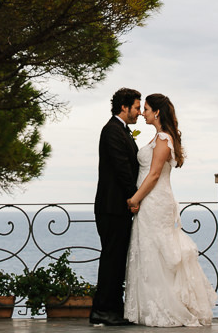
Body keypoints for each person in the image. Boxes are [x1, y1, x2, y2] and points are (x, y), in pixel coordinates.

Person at [124, 93, 217, 327]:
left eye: (145, 109)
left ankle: (166, 307)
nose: (142, 113)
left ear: (156, 112)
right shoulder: (158, 137)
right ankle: (150, 306)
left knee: (158, 252)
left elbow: (154, 174)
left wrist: (135, 198)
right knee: (148, 250)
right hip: (150, 201)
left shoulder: (164, 139)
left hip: (155, 201)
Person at [90, 87, 142, 326]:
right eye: (137, 107)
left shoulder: (121, 131)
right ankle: (102, 311)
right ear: (124, 106)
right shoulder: (112, 131)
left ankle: (112, 308)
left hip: (116, 206)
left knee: (116, 258)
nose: (139, 113)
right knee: (112, 259)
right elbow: (122, 169)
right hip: (112, 206)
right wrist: (134, 198)